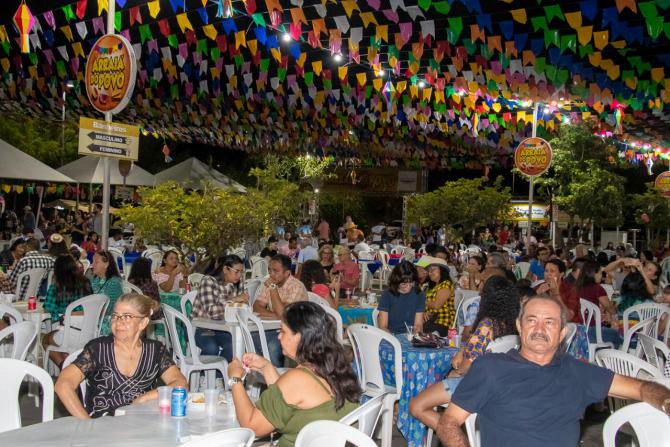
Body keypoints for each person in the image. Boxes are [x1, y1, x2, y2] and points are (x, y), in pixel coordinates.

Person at [435, 294, 670, 447]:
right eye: (531, 320)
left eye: (549, 322)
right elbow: (449, 422)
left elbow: (642, 387)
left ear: (562, 333)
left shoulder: (578, 372)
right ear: (519, 326)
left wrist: (666, 402)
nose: (539, 328)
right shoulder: (491, 367)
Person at [227, 301, 361, 447]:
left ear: (299, 336)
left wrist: (235, 379)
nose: (278, 337)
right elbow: (289, 400)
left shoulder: (297, 379)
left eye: (283, 331)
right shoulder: (334, 368)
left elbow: (252, 426)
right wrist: (266, 367)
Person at [410, 276, 520, 430]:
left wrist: (456, 371)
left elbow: (468, 366)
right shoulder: (512, 324)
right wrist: (462, 351)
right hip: (498, 384)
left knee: (416, 405)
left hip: (473, 383)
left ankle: (458, 439)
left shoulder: (486, 325)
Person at [55, 293, 188, 419]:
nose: (118, 322)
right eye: (115, 316)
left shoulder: (155, 350)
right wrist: (87, 425)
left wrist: (145, 397)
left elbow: (180, 383)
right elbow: (63, 385)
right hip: (104, 426)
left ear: (143, 323)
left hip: (140, 424)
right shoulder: (98, 349)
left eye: (127, 316)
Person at [253, 254, 308, 366]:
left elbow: (284, 314)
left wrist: (273, 289)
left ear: (287, 273)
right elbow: (257, 306)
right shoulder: (270, 282)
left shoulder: (296, 286)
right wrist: (276, 315)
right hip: (275, 327)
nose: (271, 274)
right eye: (269, 270)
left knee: (273, 347)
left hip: (297, 330)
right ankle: (262, 377)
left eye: (275, 271)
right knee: (252, 338)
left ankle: (277, 379)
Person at [191, 255, 249, 362]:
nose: (240, 275)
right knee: (211, 347)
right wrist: (234, 300)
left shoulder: (237, 284)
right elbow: (212, 312)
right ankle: (204, 376)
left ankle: (219, 376)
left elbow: (242, 309)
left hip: (221, 328)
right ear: (225, 269)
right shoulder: (208, 281)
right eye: (236, 272)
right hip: (200, 328)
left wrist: (240, 302)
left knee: (235, 345)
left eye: (242, 272)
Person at [42, 255, 93, 366]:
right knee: (64, 344)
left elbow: (49, 307)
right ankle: (70, 367)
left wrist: (58, 315)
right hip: (90, 332)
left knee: (45, 339)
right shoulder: (86, 283)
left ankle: (63, 366)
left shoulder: (57, 286)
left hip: (68, 332)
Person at [378, 261, 425, 334]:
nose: (408, 287)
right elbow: (383, 326)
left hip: (410, 335)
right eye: (404, 284)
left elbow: (418, 325)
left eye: (411, 283)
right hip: (391, 334)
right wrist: (393, 339)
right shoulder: (387, 295)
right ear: (396, 281)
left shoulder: (419, 295)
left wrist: (415, 335)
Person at [90, 250, 124, 335]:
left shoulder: (113, 283)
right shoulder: (95, 280)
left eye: (96, 262)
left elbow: (109, 310)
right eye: (92, 261)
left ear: (106, 264)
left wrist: (83, 313)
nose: (92, 265)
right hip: (94, 318)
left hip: (107, 323)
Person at [535, 258, 580, 323]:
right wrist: (536, 294)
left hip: (569, 327)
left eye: (552, 271)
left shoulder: (571, 290)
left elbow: (568, 317)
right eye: (546, 271)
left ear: (561, 274)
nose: (548, 274)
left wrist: (556, 295)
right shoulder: (540, 287)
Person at [423, 257, 456, 336]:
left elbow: (436, 305)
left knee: (417, 328)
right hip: (432, 320)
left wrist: (422, 301)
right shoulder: (432, 286)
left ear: (442, 270)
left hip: (442, 322)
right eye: (429, 270)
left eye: (433, 269)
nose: (430, 272)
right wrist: (424, 313)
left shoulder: (446, 284)